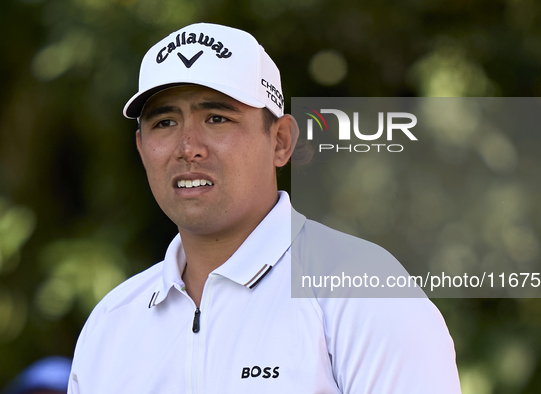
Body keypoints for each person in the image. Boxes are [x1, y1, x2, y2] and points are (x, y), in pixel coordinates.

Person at [68, 22, 461, 393]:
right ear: (141, 149)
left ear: (280, 142)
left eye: (217, 118)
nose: (188, 147)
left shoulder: (360, 293)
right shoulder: (112, 323)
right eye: (164, 123)